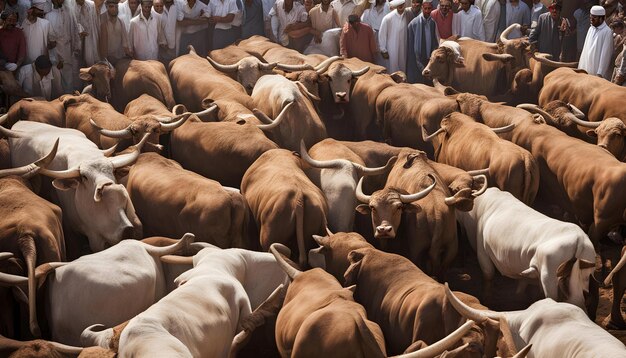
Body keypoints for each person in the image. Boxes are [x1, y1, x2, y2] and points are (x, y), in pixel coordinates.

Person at [46, 0, 80, 92]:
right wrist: (57, 59)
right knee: (56, 83)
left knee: (68, 81)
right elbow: (51, 40)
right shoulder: (49, 16)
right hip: (55, 56)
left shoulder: (69, 13)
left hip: (68, 52)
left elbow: (74, 31)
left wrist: (75, 48)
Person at [407, 0, 438, 83]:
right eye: (425, 8)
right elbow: (410, 49)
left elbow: (434, 42)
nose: (427, 11)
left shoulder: (433, 23)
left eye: (429, 8)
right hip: (417, 61)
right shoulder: (413, 24)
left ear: (432, 8)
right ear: (422, 8)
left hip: (429, 60)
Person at [579, 5, 613, 79]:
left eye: (594, 17)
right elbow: (585, 50)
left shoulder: (607, 32)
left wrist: (600, 73)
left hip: (597, 74)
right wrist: (581, 67)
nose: (591, 20)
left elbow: (606, 54)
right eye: (591, 17)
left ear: (602, 18)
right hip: (586, 70)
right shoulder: (591, 28)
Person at [379, 0, 409, 72]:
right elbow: (382, 34)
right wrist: (383, 49)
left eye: (402, 4)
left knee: (403, 68)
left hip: (404, 48)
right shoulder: (388, 18)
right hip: (392, 49)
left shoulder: (408, 16)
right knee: (392, 69)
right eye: (398, 4)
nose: (400, 6)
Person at [99, 0, 130, 64]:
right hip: (106, 60)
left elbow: (125, 43)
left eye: (116, 7)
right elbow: (102, 45)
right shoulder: (101, 20)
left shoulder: (120, 22)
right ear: (106, 7)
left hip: (119, 60)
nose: (114, 9)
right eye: (111, 7)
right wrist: (104, 61)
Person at [22, 0, 51, 65]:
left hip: (41, 60)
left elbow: (50, 43)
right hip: (27, 60)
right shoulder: (25, 22)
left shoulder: (46, 23)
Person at [75, 0, 101, 66]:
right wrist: (80, 30)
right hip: (78, 37)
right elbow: (74, 22)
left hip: (92, 35)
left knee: (93, 57)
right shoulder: (72, 7)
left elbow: (96, 22)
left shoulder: (91, 4)